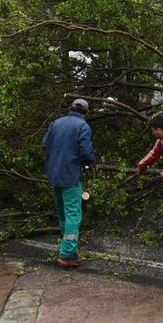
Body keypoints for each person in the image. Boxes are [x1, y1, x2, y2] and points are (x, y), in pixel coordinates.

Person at [43, 98, 95, 267]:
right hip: (71, 176)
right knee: (73, 214)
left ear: (70, 108)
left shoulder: (56, 123)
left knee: (64, 214)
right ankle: (66, 254)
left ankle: (66, 247)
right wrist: (90, 162)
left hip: (54, 174)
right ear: (86, 113)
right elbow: (86, 152)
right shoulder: (82, 126)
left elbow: (45, 144)